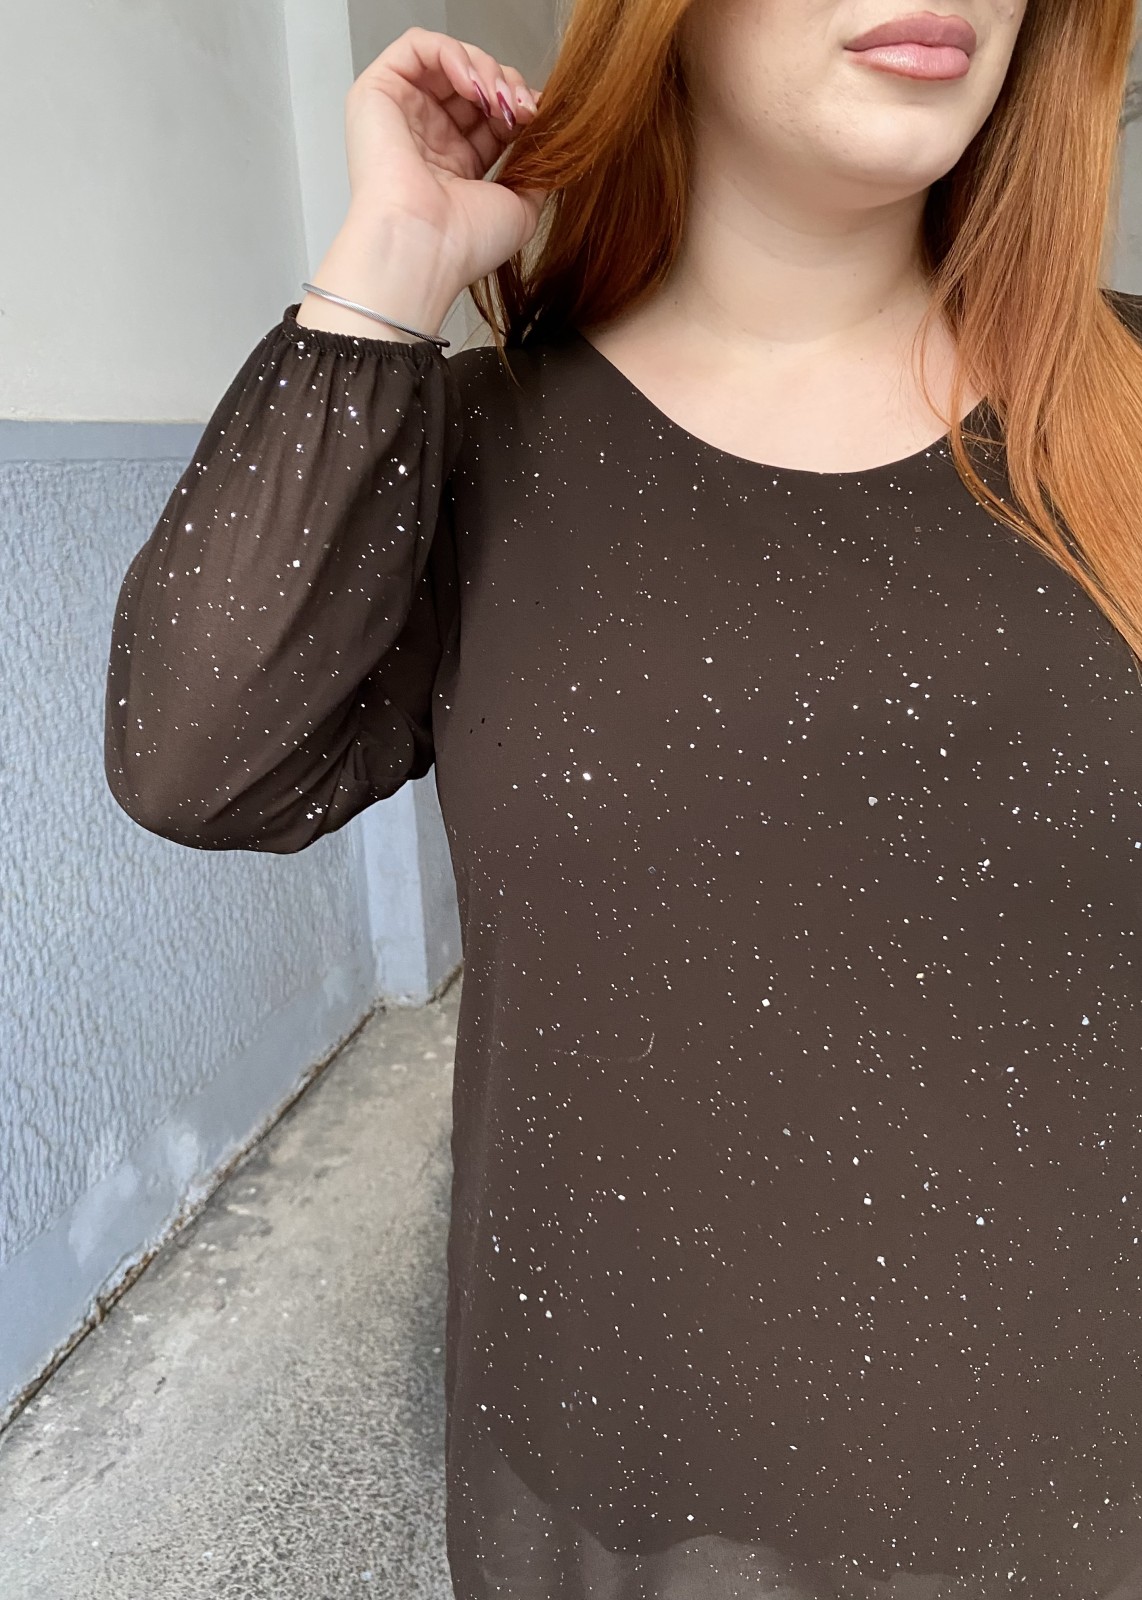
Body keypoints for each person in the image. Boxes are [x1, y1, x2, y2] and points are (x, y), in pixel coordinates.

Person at [104, 4, 1142, 1596]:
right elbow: (197, 761)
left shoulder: (1124, 406)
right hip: (640, 1502)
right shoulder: (469, 448)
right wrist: (389, 266)